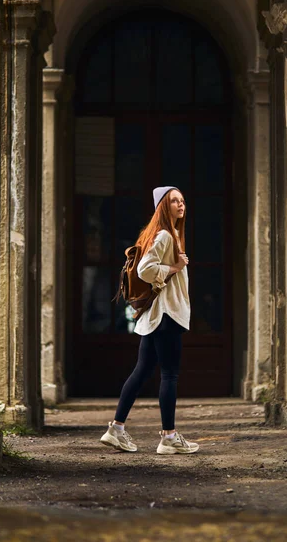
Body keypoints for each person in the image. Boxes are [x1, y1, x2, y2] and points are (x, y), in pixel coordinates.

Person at [100, 186, 199, 455]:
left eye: (182, 200)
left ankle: (116, 429)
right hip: (167, 314)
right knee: (169, 374)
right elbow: (144, 270)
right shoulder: (166, 235)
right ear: (163, 208)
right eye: (174, 201)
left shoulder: (167, 234)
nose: (181, 205)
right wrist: (174, 268)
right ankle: (168, 437)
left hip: (158, 315)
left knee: (142, 371)